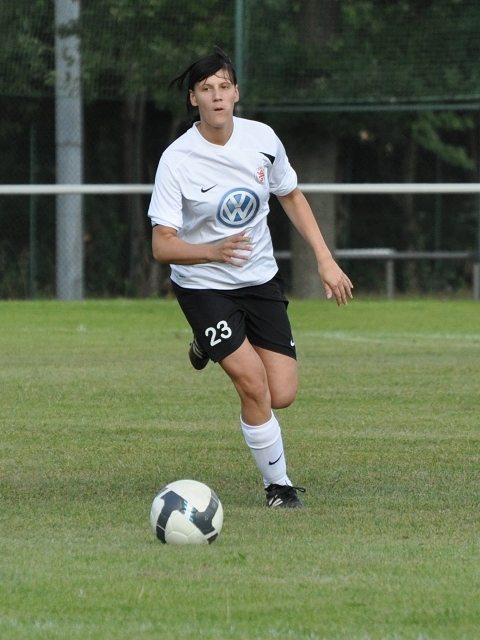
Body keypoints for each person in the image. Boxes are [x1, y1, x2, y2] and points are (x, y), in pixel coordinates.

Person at [148, 47, 353, 509]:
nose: (217, 96)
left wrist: (325, 258)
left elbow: (291, 195)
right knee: (253, 384)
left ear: (236, 93)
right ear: (193, 98)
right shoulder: (177, 159)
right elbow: (162, 245)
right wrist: (211, 251)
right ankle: (278, 486)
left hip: (259, 280)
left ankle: (206, 343)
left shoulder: (262, 139)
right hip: (203, 285)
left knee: (282, 393)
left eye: (224, 86)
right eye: (206, 89)